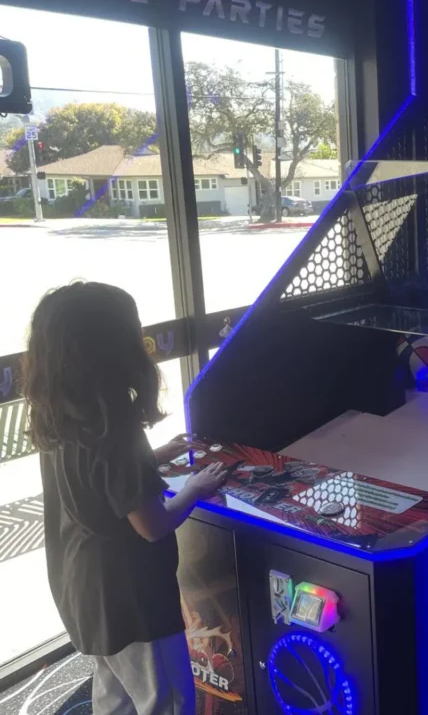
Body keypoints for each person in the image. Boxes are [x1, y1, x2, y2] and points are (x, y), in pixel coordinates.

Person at [23, 282, 227, 715]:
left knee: (114, 694)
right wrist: (195, 488)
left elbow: (96, 479)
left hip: (83, 590)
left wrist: (151, 456)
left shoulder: (57, 414)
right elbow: (152, 524)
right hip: (133, 601)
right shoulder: (115, 426)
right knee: (165, 699)